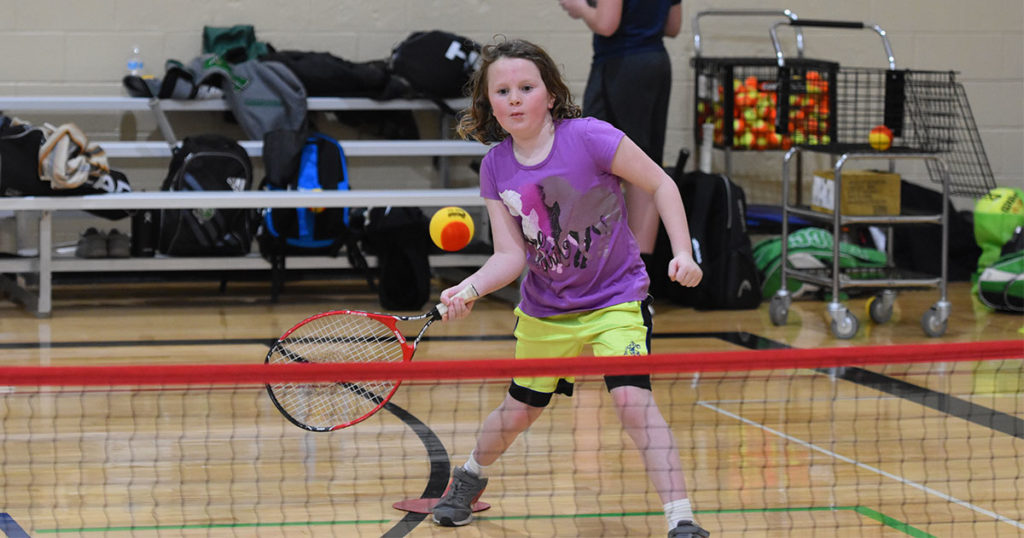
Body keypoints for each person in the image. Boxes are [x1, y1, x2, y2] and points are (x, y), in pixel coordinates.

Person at [430, 37, 709, 538]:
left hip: (616, 298)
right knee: (518, 412)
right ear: (488, 103)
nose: (514, 98)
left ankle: (681, 518)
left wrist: (684, 252)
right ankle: (468, 478)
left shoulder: (590, 137)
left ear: (551, 95)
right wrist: (468, 290)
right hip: (546, 309)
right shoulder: (496, 167)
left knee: (632, 402)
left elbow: (661, 184)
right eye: (502, 90)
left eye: (526, 87)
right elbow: (511, 255)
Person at [559, 0, 682, 274]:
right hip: (655, 64)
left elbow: (606, 23)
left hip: (621, 65)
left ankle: (601, 272)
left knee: (595, 163)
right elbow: (673, 27)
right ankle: (641, 278)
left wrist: (580, 7)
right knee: (646, 170)